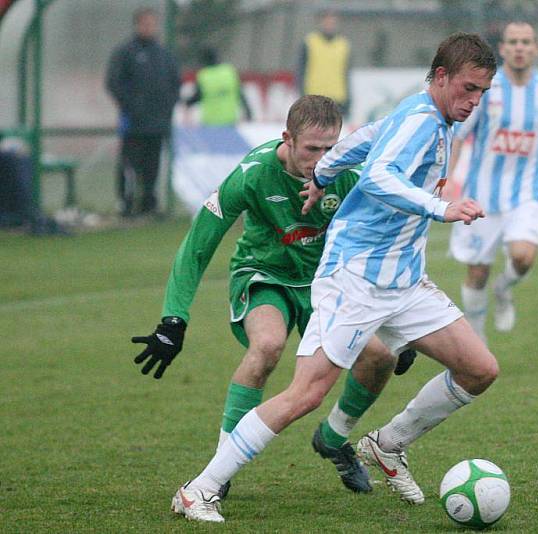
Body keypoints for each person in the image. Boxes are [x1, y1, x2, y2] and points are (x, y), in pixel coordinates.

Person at [170, 32, 498, 523]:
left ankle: (387, 446)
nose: (474, 101)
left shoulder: (424, 114)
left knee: (479, 369)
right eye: (469, 88)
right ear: (442, 77)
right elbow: (378, 174)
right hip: (356, 277)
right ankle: (200, 489)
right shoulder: (422, 123)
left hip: (404, 279)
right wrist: (440, 207)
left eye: (482, 93)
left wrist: (323, 173)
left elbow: (367, 137)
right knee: (306, 393)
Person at [132, 95, 406, 511]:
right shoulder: (253, 174)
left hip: (325, 284)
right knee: (267, 346)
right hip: (264, 275)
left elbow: (385, 243)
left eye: (331, 147)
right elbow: (198, 243)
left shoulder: (348, 173)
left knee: (380, 359)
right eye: (312, 149)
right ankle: (218, 473)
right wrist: (174, 318)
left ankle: (333, 439)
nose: (322, 159)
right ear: (288, 139)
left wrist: (399, 324)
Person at [448, 21, 538, 341]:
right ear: (502, 49)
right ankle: (477, 338)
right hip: (482, 196)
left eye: (526, 42)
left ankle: (503, 290)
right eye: (513, 42)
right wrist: (448, 178)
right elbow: (459, 136)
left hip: (527, 194)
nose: (520, 48)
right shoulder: (485, 88)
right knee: (477, 272)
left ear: (536, 48)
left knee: (522, 255)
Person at [106, 7, 180, 217]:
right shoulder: (125, 52)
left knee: (152, 166)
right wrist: (131, 107)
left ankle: (149, 204)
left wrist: (167, 107)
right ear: (137, 25)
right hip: (134, 123)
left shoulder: (163, 54)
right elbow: (113, 82)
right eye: (145, 23)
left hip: (158, 123)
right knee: (129, 165)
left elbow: (175, 83)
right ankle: (126, 204)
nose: (149, 27)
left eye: (152, 23)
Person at [297, 10, 351, 116]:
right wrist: (301, 93)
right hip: (313, 98)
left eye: (332, 22)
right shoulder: (310, 42)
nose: (329, 25)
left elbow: (346, 73)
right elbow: (301, 69)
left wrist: (348, 99)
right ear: (320, 22)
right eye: (327, 21)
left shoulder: (343, 45)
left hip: (337, 98)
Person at [185, 47, 252, 126]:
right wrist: (248, 113)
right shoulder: (229, 72)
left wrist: (187, 103)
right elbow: (241, 94)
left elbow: (197, 96)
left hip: (210, 122)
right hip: (229, 120)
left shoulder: (204, 75)